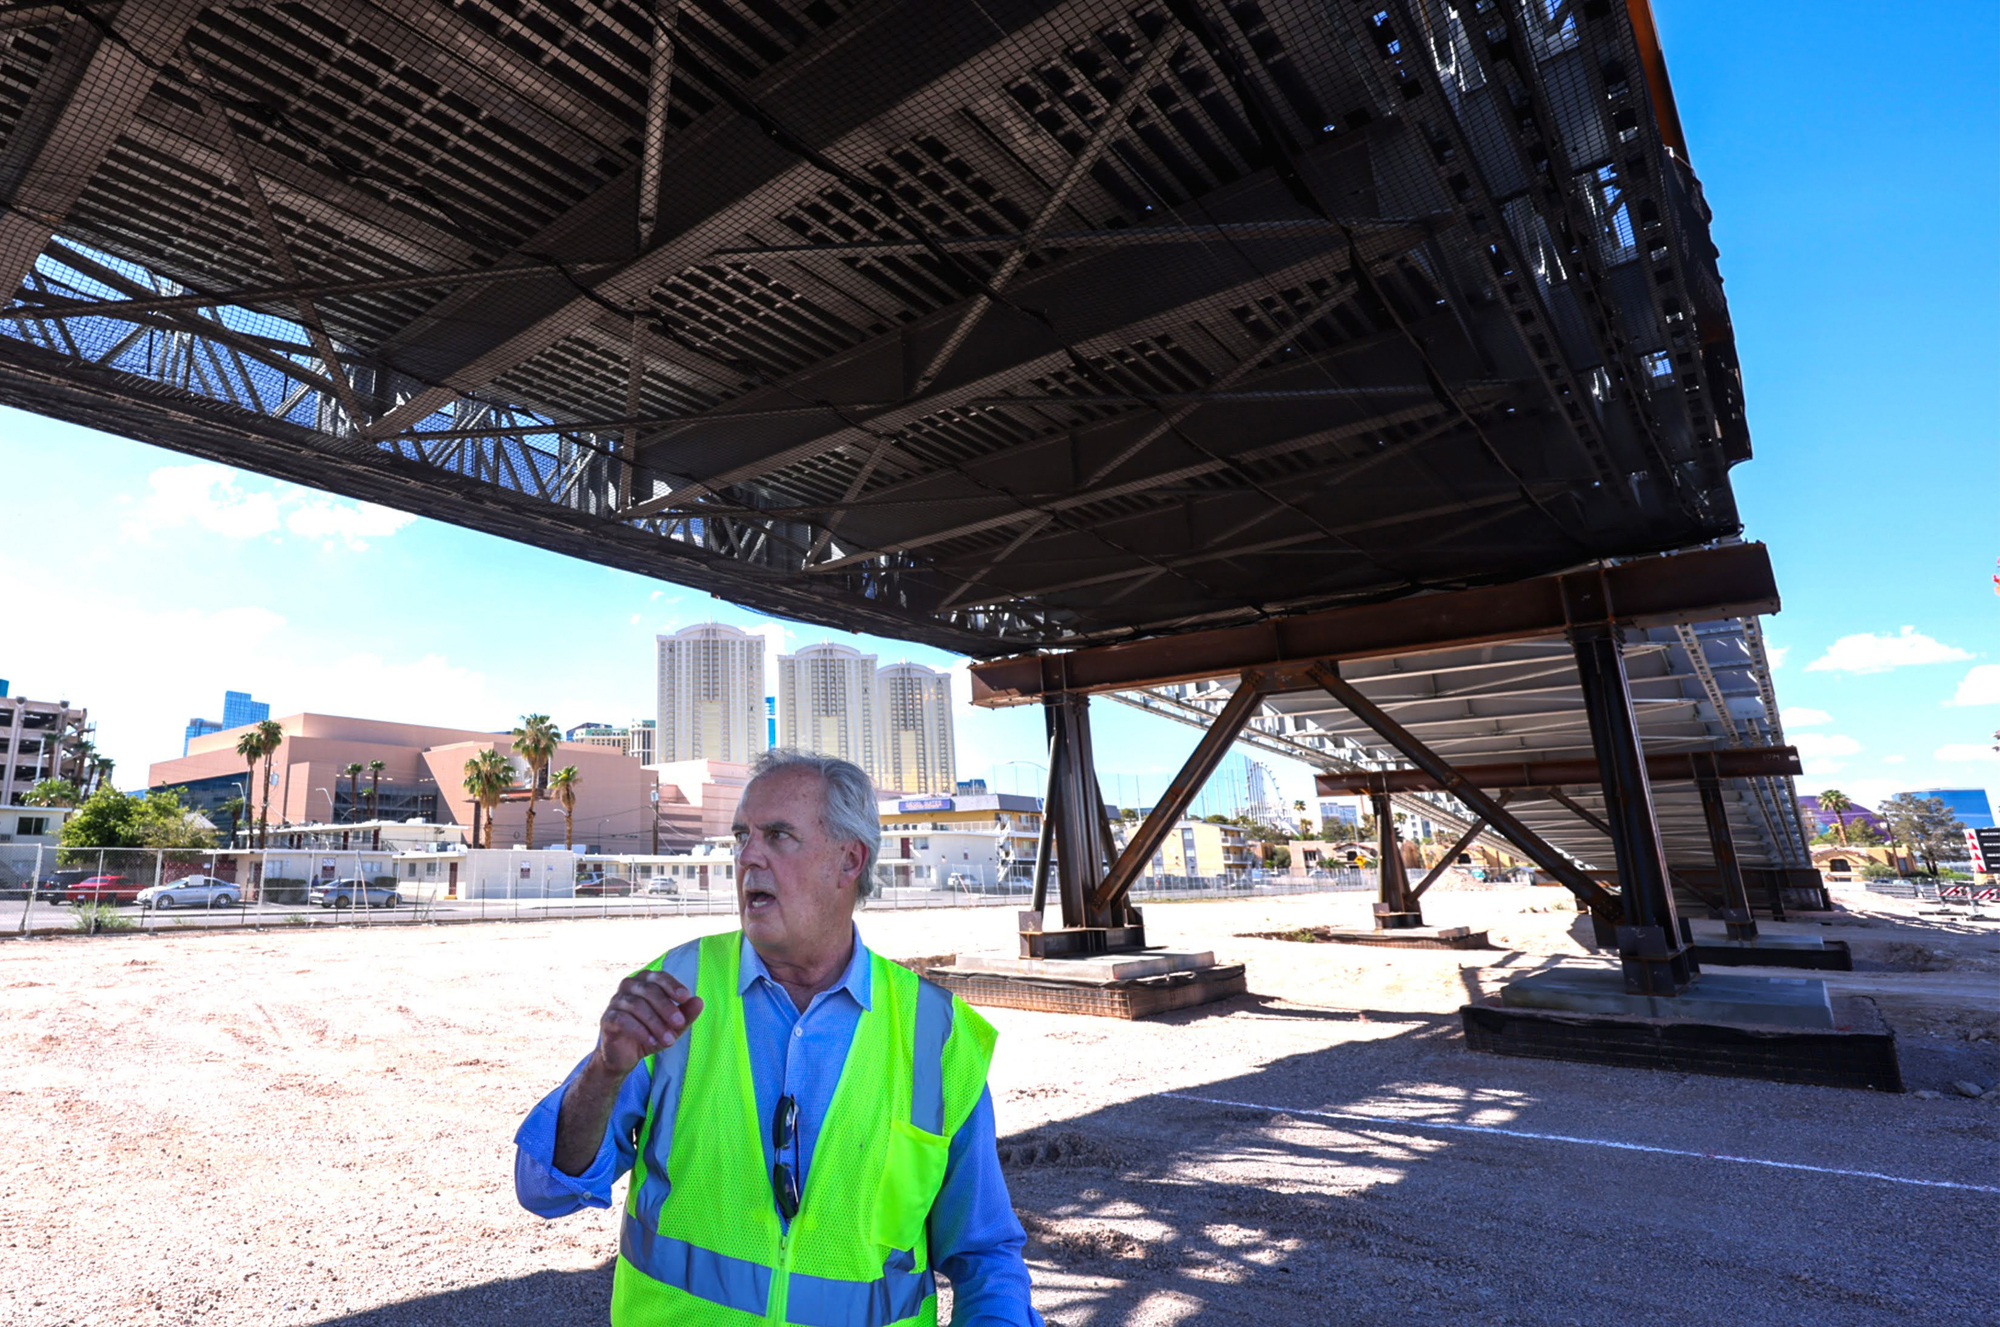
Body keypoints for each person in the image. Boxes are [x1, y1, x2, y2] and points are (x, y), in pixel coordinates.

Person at [515, 750, 1042, 1326]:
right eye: (742, 836)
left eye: (778, 835)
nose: (747, 857)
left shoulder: (937, 1037)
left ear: (848, 860)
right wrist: (603, 1071)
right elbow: (545, 1188)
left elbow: (985, 1255)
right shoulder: (676, 990)